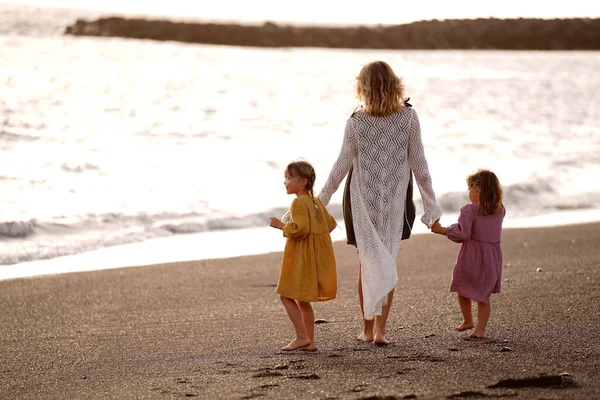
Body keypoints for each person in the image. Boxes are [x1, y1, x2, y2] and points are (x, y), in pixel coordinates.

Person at [317, 61, 442, 345]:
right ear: (394, 83)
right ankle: (381, 331)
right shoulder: (409, 118)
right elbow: (420, 165)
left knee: (368, 262)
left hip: (361, 200)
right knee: (386, 259)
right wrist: (430, 207)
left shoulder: (356, 122)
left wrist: (320, 201)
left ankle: (367, 328)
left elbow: (339, 167)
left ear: (363, 87)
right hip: (396, 199)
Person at [269, 160, 338, 351]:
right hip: (315, 257)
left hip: (302, 258)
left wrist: (281, 225)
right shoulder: (315, 201)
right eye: (286, 178)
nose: (286, 182)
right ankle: (310, 341)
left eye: (290, 178)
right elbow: (330, 225)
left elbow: (300, 229)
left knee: (285, 295)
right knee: (302, 298)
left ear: (303, 182)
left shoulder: (299, 202)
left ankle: (301, 337)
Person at [431, 169, 505, 339]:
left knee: (462, 285)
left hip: (472, 257)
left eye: (469, 189)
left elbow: (463, 234)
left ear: (477, 190)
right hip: (492, 258)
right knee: (483, 296)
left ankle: (468, 321)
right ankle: (479, 329)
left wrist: (440, 230)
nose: (469, 193)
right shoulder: (500, 210)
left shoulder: (470, 210)